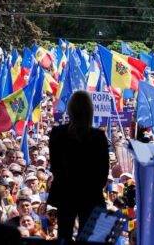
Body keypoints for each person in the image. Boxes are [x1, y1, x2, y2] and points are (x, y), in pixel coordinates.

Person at [47, 91, 109, 242]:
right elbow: (103, 172)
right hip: (90, 194)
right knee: (87, 238)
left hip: (65, 192)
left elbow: (55, 166)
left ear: (70, 110)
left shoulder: (57, 133)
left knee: (64, 236)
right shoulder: (98, 137)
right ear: (90, 110)